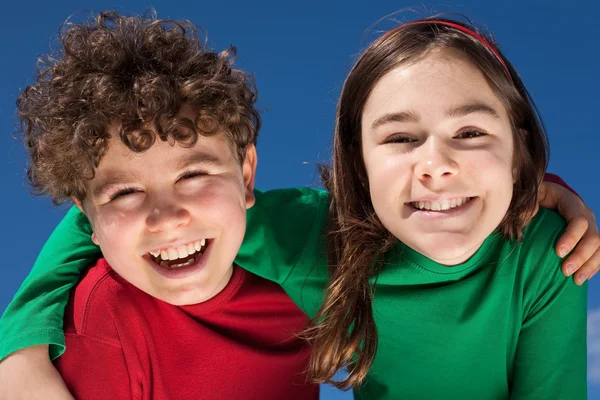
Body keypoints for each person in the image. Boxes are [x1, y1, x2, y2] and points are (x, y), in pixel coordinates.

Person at [0, 15, 598, 400]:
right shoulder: (313, 239)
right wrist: (18, 347)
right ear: (357, 167)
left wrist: (537, 185)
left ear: (517, 146)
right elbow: (109, 212)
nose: (437, 166)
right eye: (398, 138)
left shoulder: (548, 252)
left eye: (470, 134)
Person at [0, 10, 319, 400]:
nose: (167, 218)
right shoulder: (106, 324)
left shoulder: (305, 275)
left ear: (246, 175)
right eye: (125, 193)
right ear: (88, 221)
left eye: (192, 175)